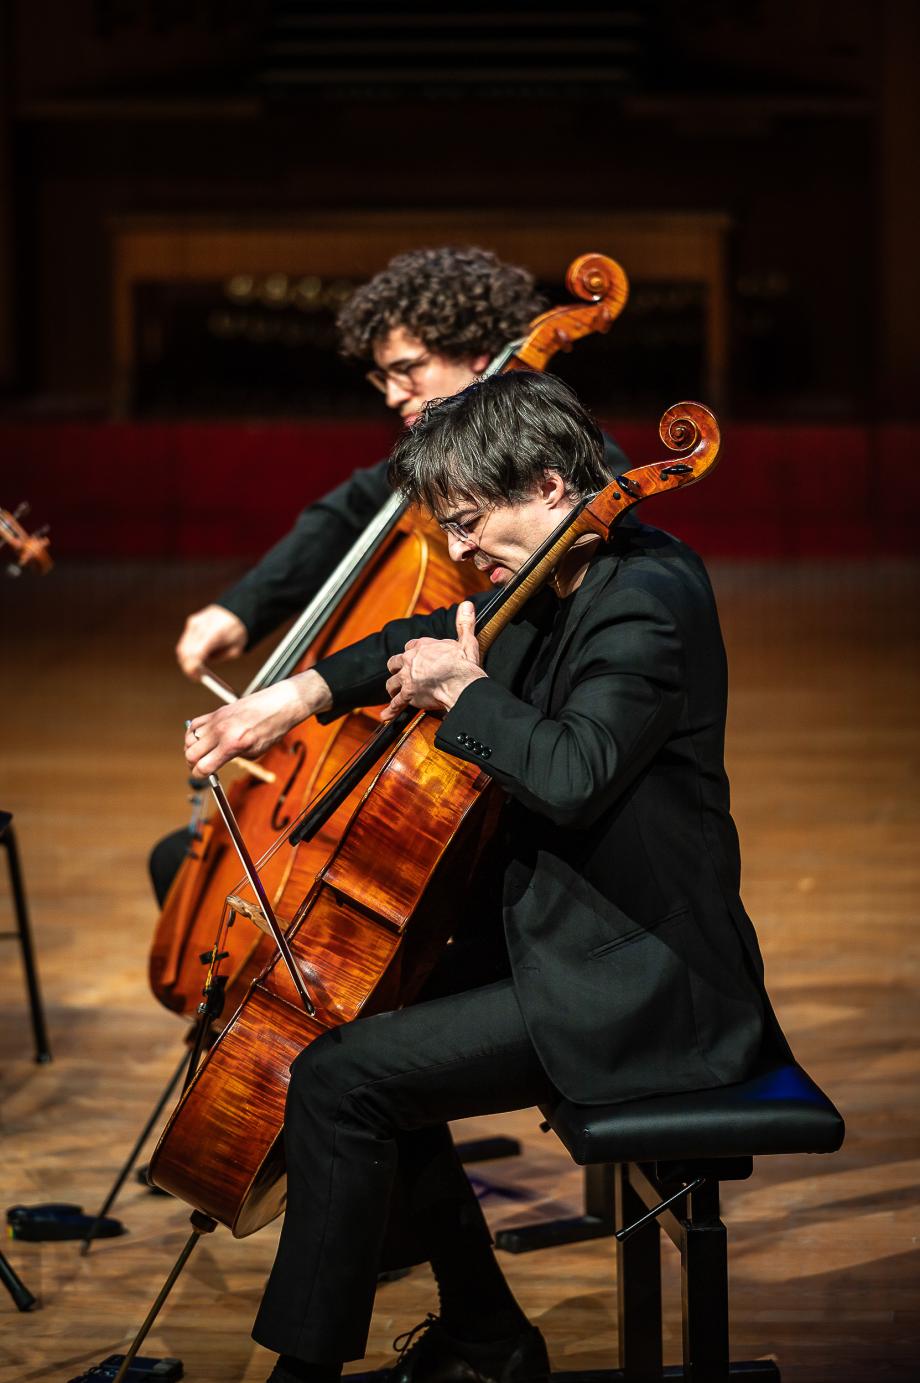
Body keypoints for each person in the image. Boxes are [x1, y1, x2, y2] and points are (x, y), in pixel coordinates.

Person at [184, 370, 788, 1383]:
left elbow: (571, 774)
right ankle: (483, 1333)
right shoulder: (562, 569)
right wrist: (290, 699)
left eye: (467, 523)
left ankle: (316, 1373)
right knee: (346, 1032)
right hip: (564, 937)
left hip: (643, 979)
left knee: (338, 1081)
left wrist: (462, 691)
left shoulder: (645, 598)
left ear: (550, 486)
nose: (458, 553)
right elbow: (417, 637)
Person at [151, 245, 626, 905]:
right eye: (383, 379)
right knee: (181, 865)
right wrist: (241, 609)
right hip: (444, 740)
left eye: (408, 370)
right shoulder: (440, 460)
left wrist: (305, 697)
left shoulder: (572, 479)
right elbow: (345, 509)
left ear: (480, 355)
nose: (396, 394)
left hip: (511, 774)